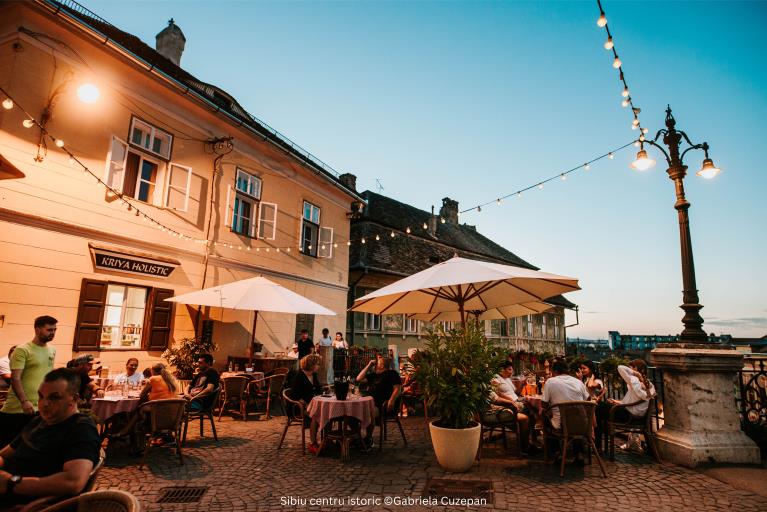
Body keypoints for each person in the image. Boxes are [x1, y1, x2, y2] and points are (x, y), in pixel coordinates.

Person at [0, 368, 101, 508]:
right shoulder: (38, 421)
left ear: (74, 398)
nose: (44, 403)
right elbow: (4, 455)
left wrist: (12, 483)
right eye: (41, 396)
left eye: (54, 397)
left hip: (26, 504)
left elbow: (73, 482)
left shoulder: (80, 429)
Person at [0, 316, 58, 448]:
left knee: (31, 446)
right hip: (17, 409)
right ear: (37, 330)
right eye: (49, 330)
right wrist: (24, 401)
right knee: (7, 446)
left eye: (55, 330)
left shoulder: (52, 350)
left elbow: (47, 376)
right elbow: (15, 378)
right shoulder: (22, 350)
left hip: (40, 407)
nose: (53, 333)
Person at [542, 359, 590, 465]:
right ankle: (579, 454)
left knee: (544, 417)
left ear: (554, 371)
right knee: (574, 420)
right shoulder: (578, 382)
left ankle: (557, 452)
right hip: (583, 424)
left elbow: (544, 405)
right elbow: (588, 401)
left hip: (562, 425)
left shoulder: (550, 381)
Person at [608, 359, 655, 451]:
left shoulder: (634, 381)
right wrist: (618, 402)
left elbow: (620, 367)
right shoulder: (649, 384)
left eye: (631, 368)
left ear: (636, 369)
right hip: (637, 415)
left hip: (631, 416)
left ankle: (598, 445)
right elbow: (635, 402)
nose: (630, 371)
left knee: (600, 409)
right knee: (605, 407)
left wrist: (635, 374)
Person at [356, 356, 401, 447]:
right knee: (351, 412)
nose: (375, 364)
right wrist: (369, 365)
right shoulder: (374, 375)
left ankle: (368, 439)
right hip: (368, 402)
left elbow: (398, 388)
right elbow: (359, 378)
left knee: (368, 411)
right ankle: (358, 437)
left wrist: (391, 401)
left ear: (382, 365)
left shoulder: (391, 373)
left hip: (382, 405)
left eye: (377, 363)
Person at [489, 361, 533, 452]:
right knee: (531, 410)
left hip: (516, 400)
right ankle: (525, 442)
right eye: (509, 369)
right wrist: (510, 401)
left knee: (532, 407)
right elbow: (497, 394)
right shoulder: (495, 378)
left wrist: (522, 384)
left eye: (512, 369)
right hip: (509, 404)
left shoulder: (507, 379)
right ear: (502, 370)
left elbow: (516, 393)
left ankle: (526, 438)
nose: (511, 372)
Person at [288, 355, 322, 455]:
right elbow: (294, 395)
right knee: (315, 415)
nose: (319, 366)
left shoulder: (314, 375)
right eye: (317, 364)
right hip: (297, 407)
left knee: (326, 412)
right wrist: (307, 405)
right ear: (311, 365)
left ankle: (326, 440)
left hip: (311, 404)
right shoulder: (299, 376)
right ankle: (313, 443)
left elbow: (318, 389)